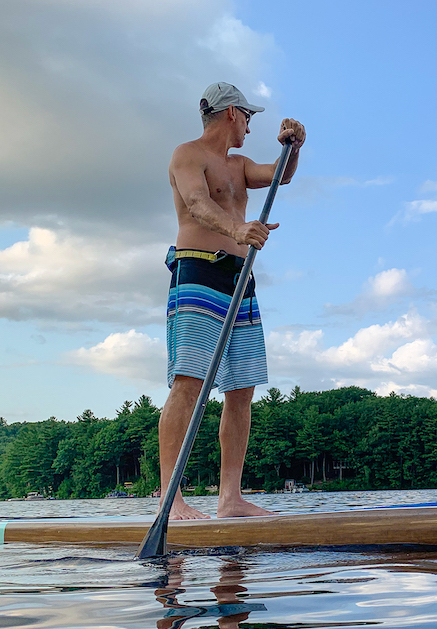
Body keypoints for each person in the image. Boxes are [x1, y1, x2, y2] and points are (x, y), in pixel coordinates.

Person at [160, 82, 305, 519]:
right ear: (231, 114)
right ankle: (171, 499)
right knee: (191, 382)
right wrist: (238, 230)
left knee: (241, 389)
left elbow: (281, 175)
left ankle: (230, 498)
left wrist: (293, 145)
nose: (250, 125)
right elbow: (197, 203)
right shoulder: (188, 154)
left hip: (240, 280)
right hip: (199, 269)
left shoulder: (239, 165)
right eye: (249, 117)